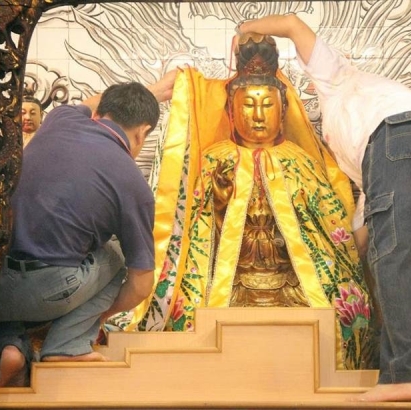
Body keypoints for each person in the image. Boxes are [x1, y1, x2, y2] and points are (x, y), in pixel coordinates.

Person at [238, 15, 411, 402]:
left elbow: (292, 24)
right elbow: (367, 230)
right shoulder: (361, 143)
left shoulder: (336, 77)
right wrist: (331, 260)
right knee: (404, 252)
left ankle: (404, 374)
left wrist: (244, 29)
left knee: (393, 254)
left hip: (406, 132)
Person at [127, 33, 375, 370]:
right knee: (189, 313)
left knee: (343, 312)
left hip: (292, 282)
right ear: (231, 110)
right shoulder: (216, 160)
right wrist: (218, 204)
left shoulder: (301, 162)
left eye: (267, 105)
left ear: (283, 110)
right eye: (248, 105)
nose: (258, 115)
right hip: (231, 281)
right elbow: (193, 236)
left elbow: (329, 235)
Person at [0, 74, 176, 388]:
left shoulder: (60, 119)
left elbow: (92, 101)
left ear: (100, 112)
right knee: (118, 255)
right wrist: (95, 315)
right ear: (144, 132)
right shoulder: (133, 183)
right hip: (49, 291)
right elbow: (141, 284)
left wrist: (153, 91)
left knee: (8, 255)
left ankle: (11, 348)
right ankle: (68, 344)